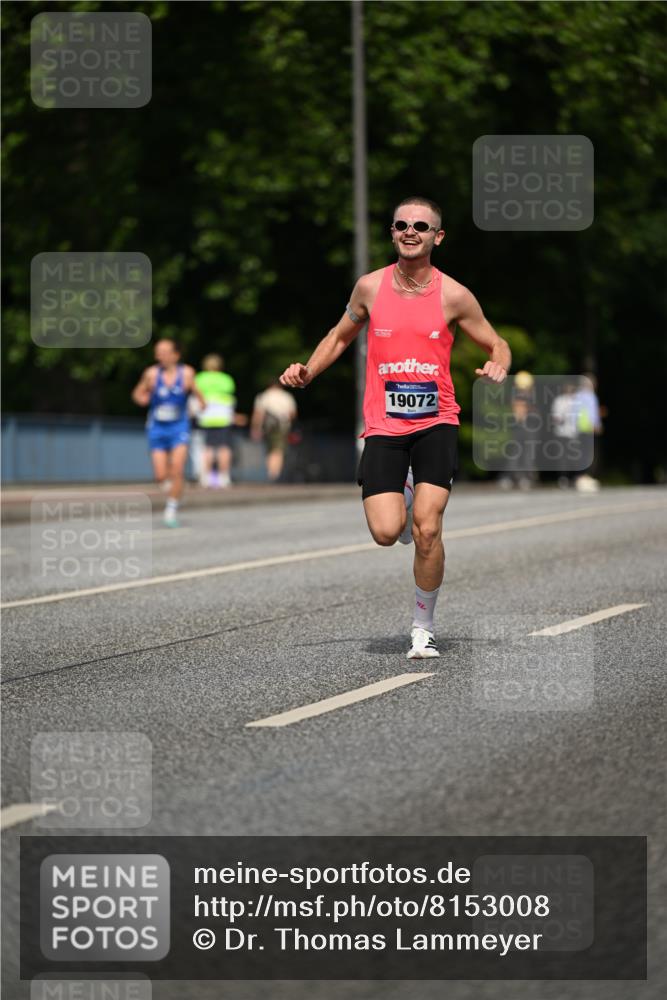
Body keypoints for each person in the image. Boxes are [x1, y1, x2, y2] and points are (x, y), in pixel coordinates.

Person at [280, 196, 510, 659]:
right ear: (392, 232)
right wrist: (309, 370)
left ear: (436, 237)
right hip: (384, 426)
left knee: (427, 530)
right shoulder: (369, 288)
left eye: (421, 226)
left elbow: (495, 341)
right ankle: (403, 490)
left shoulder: (454, 295)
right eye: (402, 224)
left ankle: (422, 629)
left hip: (436, 421)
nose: (411, 231)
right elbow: (340, 335)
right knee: (388, 532)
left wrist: (498, 365)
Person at [132, 338, 205, 526]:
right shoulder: (151, 374)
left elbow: (199, 396)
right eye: (157, 352)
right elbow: (138, 393)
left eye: (164, 351)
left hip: (179, 427)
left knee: (178, 469)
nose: (159, 355)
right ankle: (173, 488)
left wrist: (200, 406)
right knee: (161, 475)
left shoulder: (187, 373)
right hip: (157, 428)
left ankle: (171, 509)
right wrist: (142, 398)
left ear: (175, 355)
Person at [195, 354, 238, 488]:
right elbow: (230, 395)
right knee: (224, 447)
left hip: (206, 416)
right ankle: (224, 477)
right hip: (223, 416)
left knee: (207, 447)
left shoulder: (200, 378)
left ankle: (205, 477)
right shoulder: (226, 379)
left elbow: (196, 395)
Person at [251, 379, 298, 481]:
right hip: (282, 426)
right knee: (278, 450)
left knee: (270, 449)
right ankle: (275, 473)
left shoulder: (263, 396)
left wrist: (256, 428)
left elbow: (258, 414)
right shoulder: (286, 396)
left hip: (268, 427)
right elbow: (292, 414)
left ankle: (270, 471)